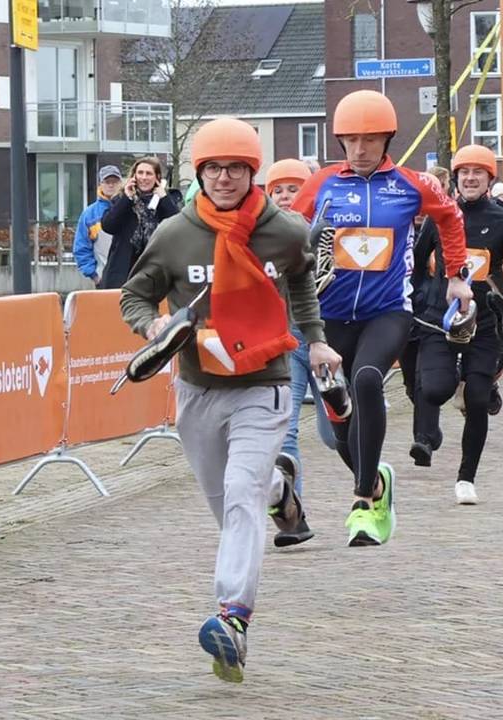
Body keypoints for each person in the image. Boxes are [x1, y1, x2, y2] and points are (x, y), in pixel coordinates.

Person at [120, 118, 339, 682]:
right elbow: (134, 295)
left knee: (240, 497)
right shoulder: (174, 233)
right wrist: (153, 330)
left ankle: (232, 618)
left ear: (251, 172)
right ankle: (281, 491)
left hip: (263, 383)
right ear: (199, 173)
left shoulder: (286, 230)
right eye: (213, 168)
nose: (223, 178)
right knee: (230, 503)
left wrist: (314, 341)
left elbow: (300, 280)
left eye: (235, 168)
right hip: (198, 387)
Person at [292, 89, 472, 546]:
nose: (360, 149)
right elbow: (288, 231)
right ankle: (375, 482)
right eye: (350, 140)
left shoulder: (412, 185)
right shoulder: (323, 184)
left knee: (368, 380)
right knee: (337, 419)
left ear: (387, 139)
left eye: (370, 139)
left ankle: (362, 503)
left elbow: (450, 218)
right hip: (328, 316)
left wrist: (456, 275)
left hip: (389, 311)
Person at [409, 144, 503, 505]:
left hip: (484, 321)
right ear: (456, 178)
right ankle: (431, 424)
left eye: (478, 172)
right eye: (464, 172)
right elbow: (417, 265)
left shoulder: (502, 220)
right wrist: (421, 298)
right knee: (435, 388)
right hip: (439, 319)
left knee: (477, 399)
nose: (470, 178)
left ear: (489, 179)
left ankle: (466, 478)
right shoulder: (439, 216)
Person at [265, 157, 332, 546]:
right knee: (285, 434)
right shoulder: (266, 236)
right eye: (279, 190)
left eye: (294, 189)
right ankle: (295, 516)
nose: (287, 197)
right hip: (286, 340)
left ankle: (370, 484)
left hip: (326, 340)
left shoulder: (332, 229)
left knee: (336, 434)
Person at [100, 156, 180, 289]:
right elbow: (108, 226)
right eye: (140, 173)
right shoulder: (121, 199)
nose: (144, 177)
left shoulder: (167, 201)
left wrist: (164, 199)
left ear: (157, 177)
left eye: (149, 173)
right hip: (123, 273)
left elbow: (178, 228)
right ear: (134, 176)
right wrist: (127, 198)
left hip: (155, 272)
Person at [74, 164, 123, 286]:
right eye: (107, 181)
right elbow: (81, 248)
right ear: (100, 184)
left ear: (121, 183)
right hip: (104, 279)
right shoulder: (89, 214)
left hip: (130, 278)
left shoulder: (130, 207)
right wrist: (95, 276)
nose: (111, 185)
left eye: (115, 181)